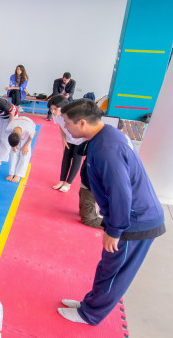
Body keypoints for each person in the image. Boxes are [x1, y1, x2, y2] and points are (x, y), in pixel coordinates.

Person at [58, 100, 166, 326]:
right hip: (131, 216)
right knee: (107, 266)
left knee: (114, 272)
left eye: (68, 123)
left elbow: (121, 193)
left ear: (83, 122)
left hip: (135, 222)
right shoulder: (105, 136)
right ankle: (89, 304)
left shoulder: (107, 149)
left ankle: (91, 314)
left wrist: (115, 230)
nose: (66, 128)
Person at [48, 95, 84, 192]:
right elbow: (61, 126)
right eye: (51, 109)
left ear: (63, 107)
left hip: (81, 139)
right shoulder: (57, 116)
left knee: (76, 159)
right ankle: (62, 180)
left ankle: (68, 183)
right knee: (66, 158)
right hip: (69, 138)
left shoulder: (73, 115)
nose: (53, 111)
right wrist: (63, 139)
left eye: (55, 109)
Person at [5, 115, 36, 183]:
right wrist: (13, 145)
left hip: (28, 122)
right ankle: (12, 173)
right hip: (17, 122)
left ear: (21, 137)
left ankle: (18, 175)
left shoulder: (28, 129)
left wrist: (26, 145)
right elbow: (9, 137)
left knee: (24, 153)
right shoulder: (9, 128)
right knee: (13, 152)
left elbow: (34, 133)